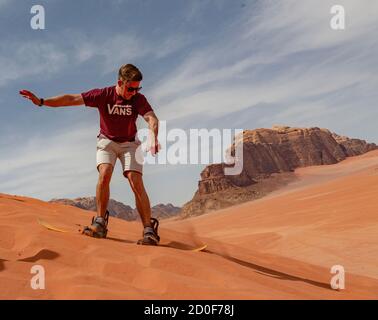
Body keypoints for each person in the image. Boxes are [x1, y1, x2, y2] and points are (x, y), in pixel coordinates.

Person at [19, 64, 161, 245]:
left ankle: (149, 230)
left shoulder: (138, 99)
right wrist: (41, 101)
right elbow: (71, 99)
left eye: (137, 88)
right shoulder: (103, 95)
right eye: (130, 88)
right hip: (107, 141)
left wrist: (153, 137)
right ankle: (100, 222)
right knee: (105, 173)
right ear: (120, 82)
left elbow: (152, 118)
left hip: (129, 144)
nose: (133, 92)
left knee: (135, 179)